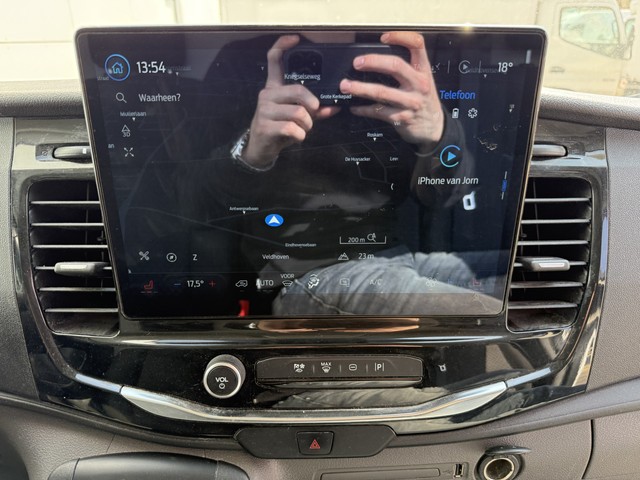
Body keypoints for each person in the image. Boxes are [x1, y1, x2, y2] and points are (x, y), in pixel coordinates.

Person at [169, 30, 493, 316]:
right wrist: (253, 149)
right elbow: (195, 203)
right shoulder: (241, 61)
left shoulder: (396, 62)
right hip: (306, 274)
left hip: (398, 257)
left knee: (517, 284)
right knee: (490, 315)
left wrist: (437, 134)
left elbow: (445, 196)